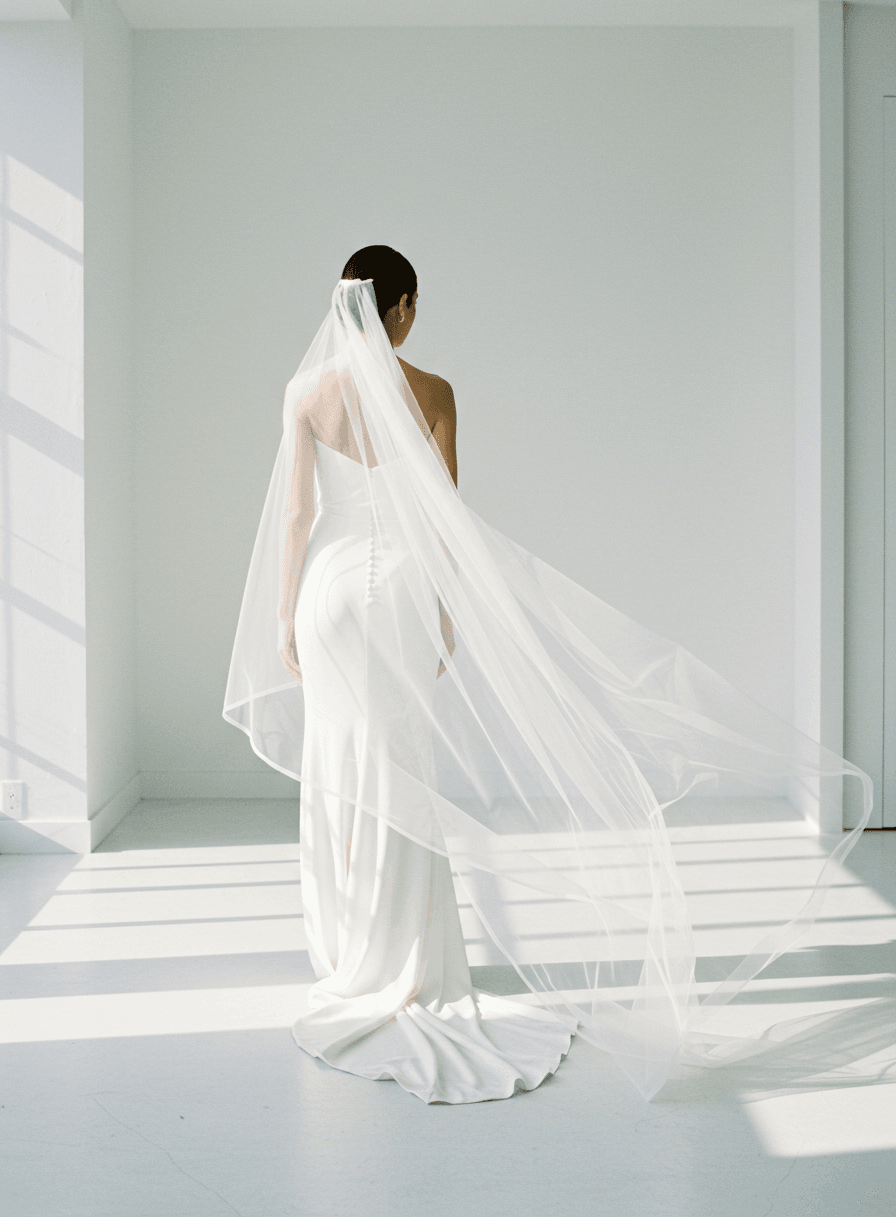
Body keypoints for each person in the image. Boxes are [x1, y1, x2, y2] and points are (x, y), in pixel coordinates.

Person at [224, 245, 873, 1104]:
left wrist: (281, 614)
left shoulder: (305, 395)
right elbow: (443, 519)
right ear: (404, 309)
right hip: (405, 595)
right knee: (402, 765)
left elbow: (300, 512)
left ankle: (351, 959)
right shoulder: (435, 393)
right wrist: (449, 615)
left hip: (330, 594)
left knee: (342, 770)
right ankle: (408, 963)